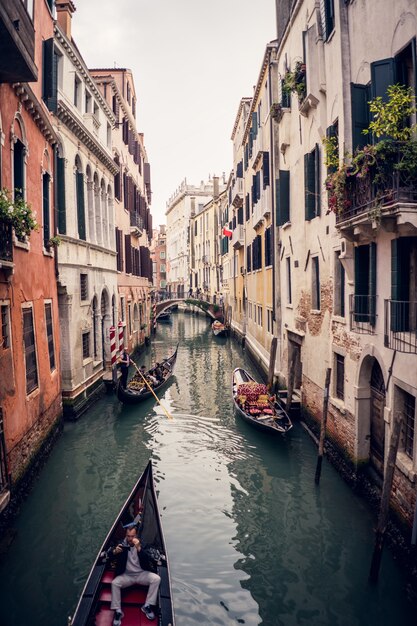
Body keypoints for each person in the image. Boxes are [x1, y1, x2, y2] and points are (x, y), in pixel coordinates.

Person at [110, 526, 161, 625]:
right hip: (127, 575)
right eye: (128, 536)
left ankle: (147, 605)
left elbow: (149, 559)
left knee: (156, 579)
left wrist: (139, 549)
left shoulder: (143, 544)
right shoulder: (121, 544)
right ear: (126, 535)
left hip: (141, 574)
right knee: (114, 583)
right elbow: (109, 554)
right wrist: (115, 552)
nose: (130, 539)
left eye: (132, 536)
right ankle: (118, 611)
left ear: (136, 536)